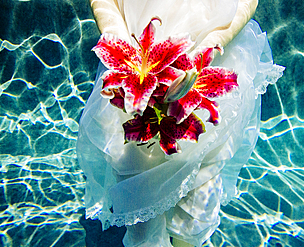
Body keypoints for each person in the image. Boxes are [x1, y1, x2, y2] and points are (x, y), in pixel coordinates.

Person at [77, 0, 284, 246]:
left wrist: (214, 41)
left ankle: (186, 238)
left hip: (216, 56)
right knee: (137, 173)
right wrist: (118, 41)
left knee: (204, 171)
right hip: (134, 60)